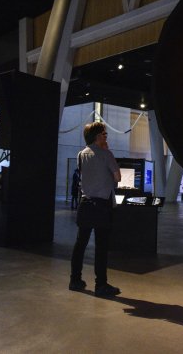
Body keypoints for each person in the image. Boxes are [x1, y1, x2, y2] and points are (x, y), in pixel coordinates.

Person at [70, 122, 121, 297]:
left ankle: (75, 280)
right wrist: (106, 152)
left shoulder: (81, 154)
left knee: (80, 244)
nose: (106, 137)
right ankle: (101, 285)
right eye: (104, 135)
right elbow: (118, 177)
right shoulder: (106, 153)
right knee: (101, 247)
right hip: (102, 205)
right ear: (97, 136)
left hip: (85, 203)